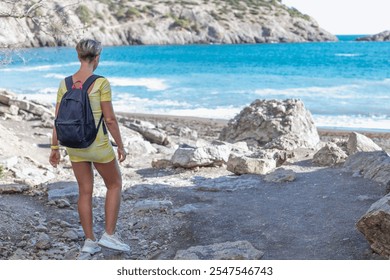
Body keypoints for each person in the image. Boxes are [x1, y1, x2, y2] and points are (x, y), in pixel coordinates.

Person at [49, 39, 130, 254]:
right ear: (97, 58)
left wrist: (55, 148)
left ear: (78, 56)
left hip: (74, 145)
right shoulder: (101, 82)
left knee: (85, 191)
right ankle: (110, 236)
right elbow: (110, 120)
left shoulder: (64, 83)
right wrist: (120, 146)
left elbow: (57, 119)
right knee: (114, 184)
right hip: (97, 144)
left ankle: (89, 242)